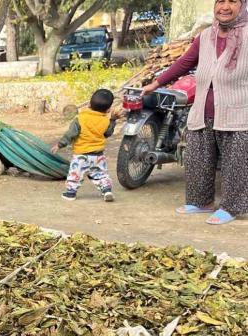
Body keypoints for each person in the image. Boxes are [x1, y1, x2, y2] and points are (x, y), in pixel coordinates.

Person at [142, 0, 248, 225]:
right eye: (220, 1)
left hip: (238, 111)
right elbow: (184, 63)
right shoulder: (206, 36)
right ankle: (201, 202)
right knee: (198, 158)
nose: (225, 7)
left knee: (235, 163)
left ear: (243, 6)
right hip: (202, 109)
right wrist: (156, 83)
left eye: (233, 1)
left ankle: (231, 207)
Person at [52, 89, 121, 202]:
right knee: (101, 174)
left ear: (89, 104)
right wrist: (112, 120)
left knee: (75, 174)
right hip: (98, 156)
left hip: (81, 155)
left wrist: (60, 145)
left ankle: (71, 193)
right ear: (108, 109)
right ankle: (106, 190)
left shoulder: (80, 119)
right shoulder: (105, 121)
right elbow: (107, 134)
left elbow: (71, 134)